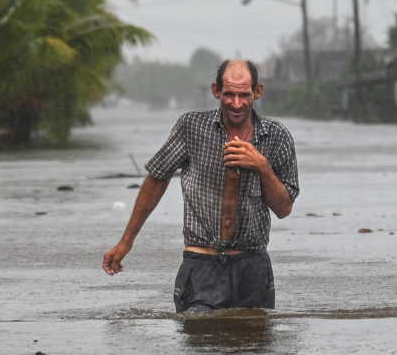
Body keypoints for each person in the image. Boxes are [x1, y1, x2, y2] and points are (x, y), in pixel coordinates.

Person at [102, 59, 299, 313]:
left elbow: (284, 208)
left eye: (244, 95)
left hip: (253, 266)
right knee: (199, 337)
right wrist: (125, 242)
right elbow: (156, 179)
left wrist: (261, 165)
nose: (236, 104)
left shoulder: (277, 136)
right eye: (229, 94)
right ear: (216, 91)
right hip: (201, 264)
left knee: (253, 344)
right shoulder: (192, 128)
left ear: (257, 92)